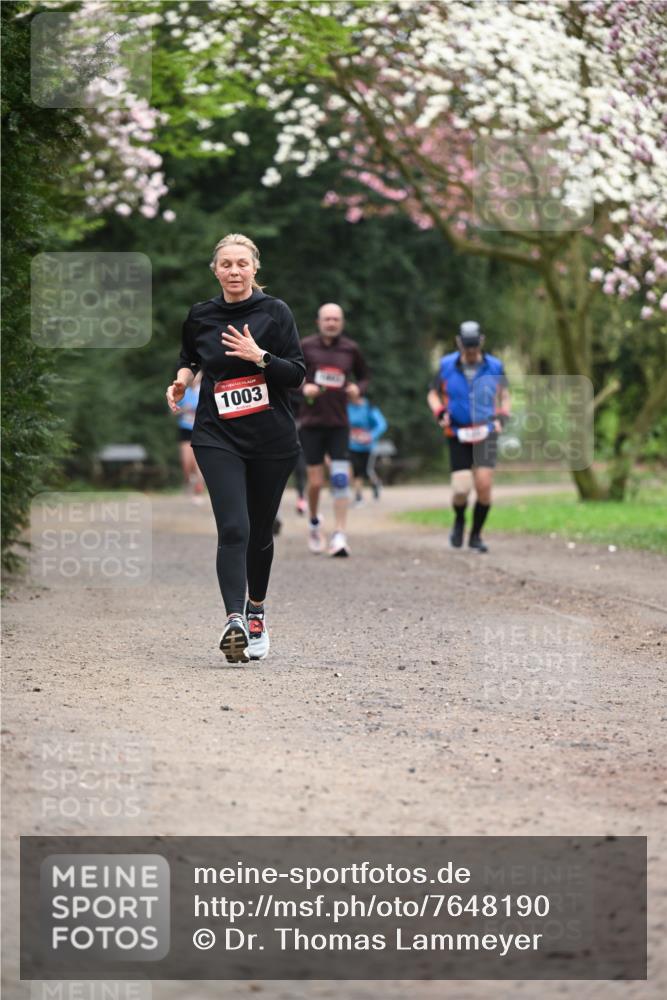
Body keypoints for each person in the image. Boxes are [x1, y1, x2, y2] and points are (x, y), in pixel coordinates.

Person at [166, 233, 305, 662]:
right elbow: (191, 356)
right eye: (226, 264)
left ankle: (256, 611)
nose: (234, 271)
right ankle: (234, 620)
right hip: (216, 434)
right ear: (215, 270)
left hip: (271, 439)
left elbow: (296, 374)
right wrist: (182, 380)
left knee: (260, 532)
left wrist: (259, 356)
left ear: (254, 268)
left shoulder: (275, 312)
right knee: (233, 527)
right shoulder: (201, 315)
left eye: (242, 263)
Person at [426, 321, 510, 553]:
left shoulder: (495, 366)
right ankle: (459, 520)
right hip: (458, 432)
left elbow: (505, 396)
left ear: (481, 342)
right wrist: (440, 412)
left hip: (486, 431)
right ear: (459, 343)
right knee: (461, 488)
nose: (471, 353)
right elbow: (433, 394)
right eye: (467, 349)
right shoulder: (446, 365)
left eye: (474, 348)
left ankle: (475, 536)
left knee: (483, 485)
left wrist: (502, 416)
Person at [298, 303, 369, 556]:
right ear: (319, 322)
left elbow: (364, 377)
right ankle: (315, 523)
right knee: (316, 482)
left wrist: (357, 389)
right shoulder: (306, 346)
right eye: (327, 319)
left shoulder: (350, 349)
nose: (331, 323)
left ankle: (340, 534)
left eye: (336, 319)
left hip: (339, 423)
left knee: (340, 479)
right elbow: (291, 376)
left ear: (342, 322)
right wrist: (304, 387)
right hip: (311, 424)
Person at [347, 396, 387, 504]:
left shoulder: (369, 407)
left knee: (367, 470)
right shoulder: (347, 407)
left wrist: (370, 436)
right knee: (356, 470)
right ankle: (359, 497)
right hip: (352, 445)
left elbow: (382, 424)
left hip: (367, 446)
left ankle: (375, 483)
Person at [174, 372, 205, 503]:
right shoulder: (183, 392)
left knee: (198, 463)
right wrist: (183, 410)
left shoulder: (204, 392)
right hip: (185, 431)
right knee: (187, 462)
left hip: (200, 431)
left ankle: (198, 490)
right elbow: (173, 410)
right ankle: (189, 482)